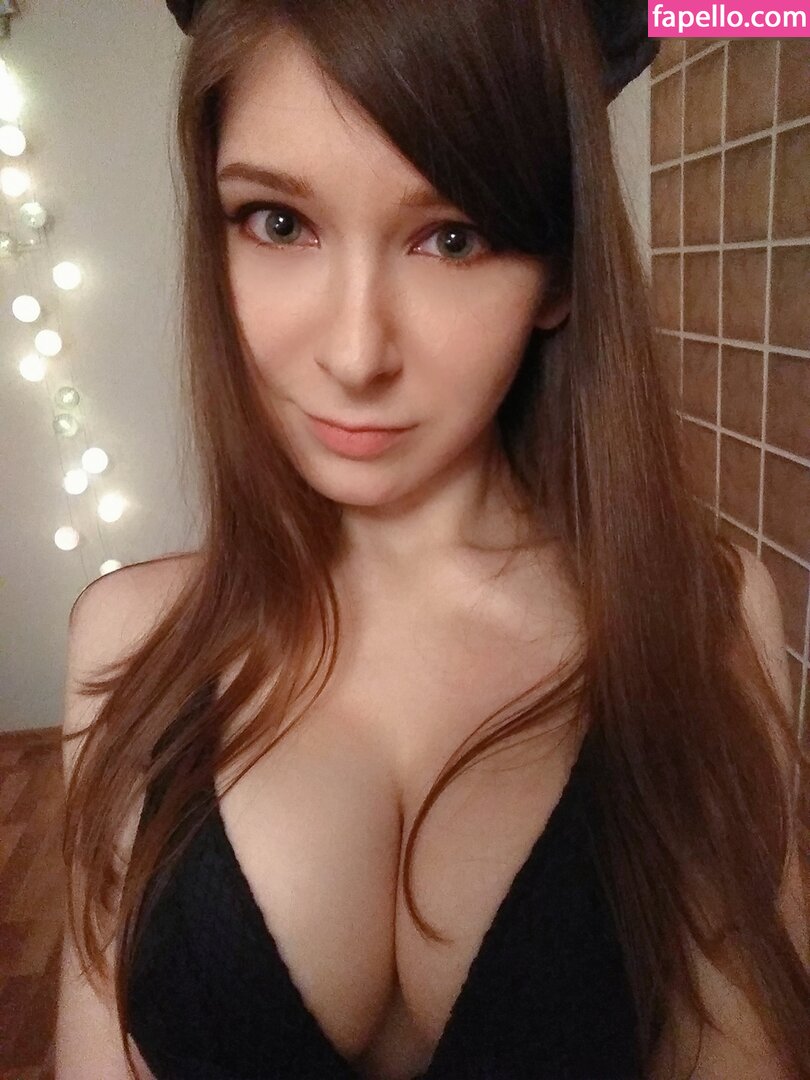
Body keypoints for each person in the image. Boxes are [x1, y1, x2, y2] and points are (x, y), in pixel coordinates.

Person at [55, 1, 809, 1078]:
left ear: (559, 272)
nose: (356, 352)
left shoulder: (701, 621)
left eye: (453, 238)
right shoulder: (127, 643)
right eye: (279, 223)